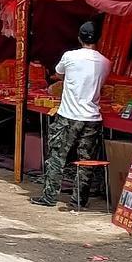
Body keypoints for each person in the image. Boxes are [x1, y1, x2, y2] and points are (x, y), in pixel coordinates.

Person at [30, 19, 111, 209]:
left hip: (68, 115)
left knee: (57, 156)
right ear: (98, 39)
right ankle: (79, 200)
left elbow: (58, 74)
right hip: (92, 118)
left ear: (79, 38)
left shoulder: (69, 57)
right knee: (86, 161)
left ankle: (50, 196)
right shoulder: (105, 62)